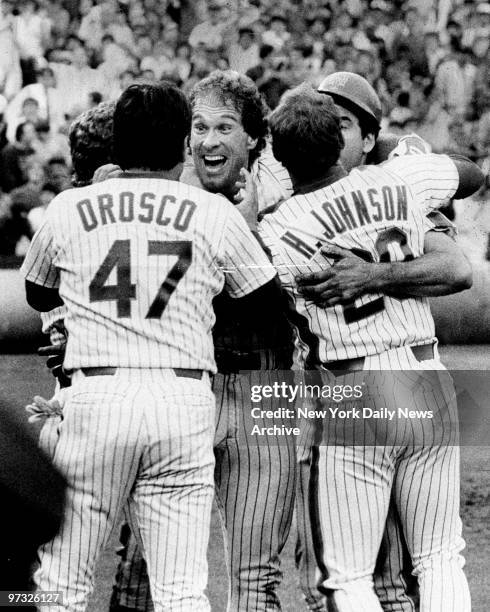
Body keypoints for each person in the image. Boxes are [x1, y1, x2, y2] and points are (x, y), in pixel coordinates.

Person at [21, 82, 279, 611]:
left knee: (56, 587)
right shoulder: (215, 213)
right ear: (183, 142)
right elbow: (267, 304)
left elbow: (36, 291)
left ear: (119, 143)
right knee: (182, 592)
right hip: (182, 399)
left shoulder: (71, 206)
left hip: (95, 396)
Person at [259, 83, 482, 612]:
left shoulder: (276, 227)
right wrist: (394, 154)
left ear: (280, 155)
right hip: (425, 372)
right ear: (339, 142)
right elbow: (470, 171)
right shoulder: (398, 177)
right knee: (440, 557)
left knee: (348, 577)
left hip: (353, 382)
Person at [109, 70, 297, 612]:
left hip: (265, 385)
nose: (209, 141)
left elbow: (289, 308)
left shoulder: (289, 194)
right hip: (181, 385)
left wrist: (253, 233)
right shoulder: (164, 194)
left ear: (255, 139)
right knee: (141, 566)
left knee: (256, 573)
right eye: (200, 127)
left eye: (226, 127)